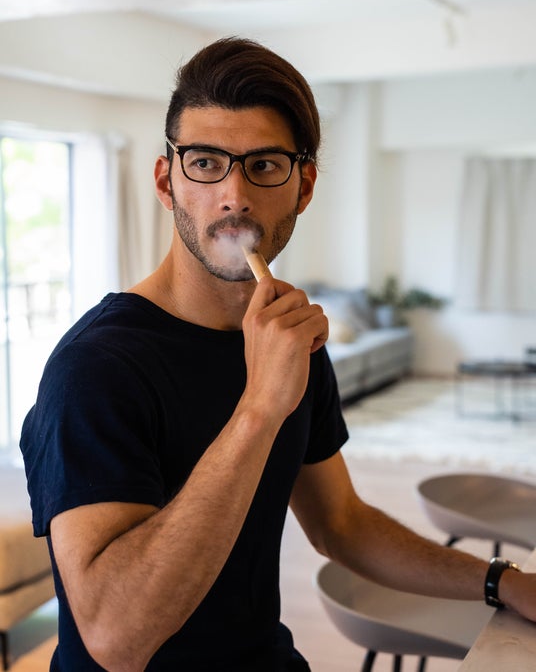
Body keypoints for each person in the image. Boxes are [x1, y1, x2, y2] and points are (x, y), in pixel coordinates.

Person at [21, 37, 536, 672]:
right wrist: (260, 405)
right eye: (205, 163)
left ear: (304, 187)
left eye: (264, 165)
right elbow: (114, 637)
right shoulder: (97, 368)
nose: (233, 194)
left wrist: (504, 582)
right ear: (166, 182)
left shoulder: (287, 337)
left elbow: (341, 523)